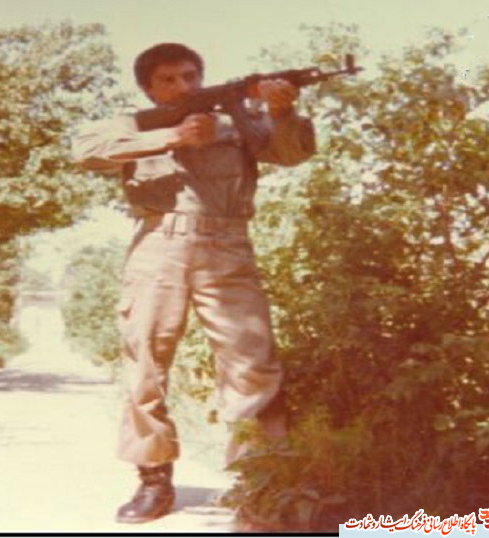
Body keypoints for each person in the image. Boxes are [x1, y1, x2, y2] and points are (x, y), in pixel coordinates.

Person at [72, 43, 316, 524]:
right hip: (158, 244)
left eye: (190, 76)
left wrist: (281, 112)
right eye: (169, 80)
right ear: (149, 89)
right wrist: (172, 136)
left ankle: (260, 481)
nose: (183, 86)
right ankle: (153, 479)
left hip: (228, 244)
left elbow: (291, 154)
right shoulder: (132, 123)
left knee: (252, 364)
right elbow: (85, 150)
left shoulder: (237, 121)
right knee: (145, 360)